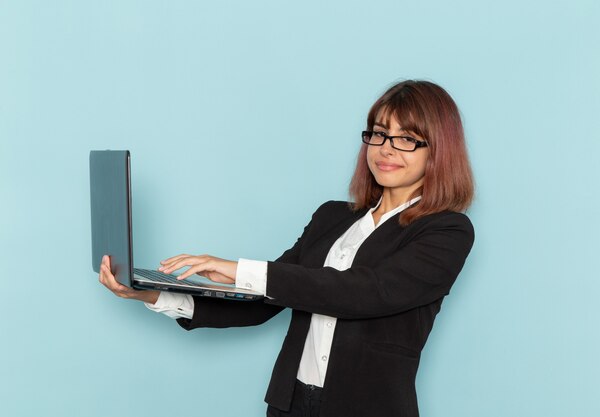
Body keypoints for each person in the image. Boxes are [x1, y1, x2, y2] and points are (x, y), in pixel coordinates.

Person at [99, 79, 475, 417]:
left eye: (406, 138)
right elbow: (266, 301)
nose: (385, 149)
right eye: (378, 134)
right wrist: (149, 294)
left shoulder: (447, 230)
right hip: (290, 404)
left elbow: (366, 292)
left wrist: (240, 269)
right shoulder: (332, 217)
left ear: (438, 150)